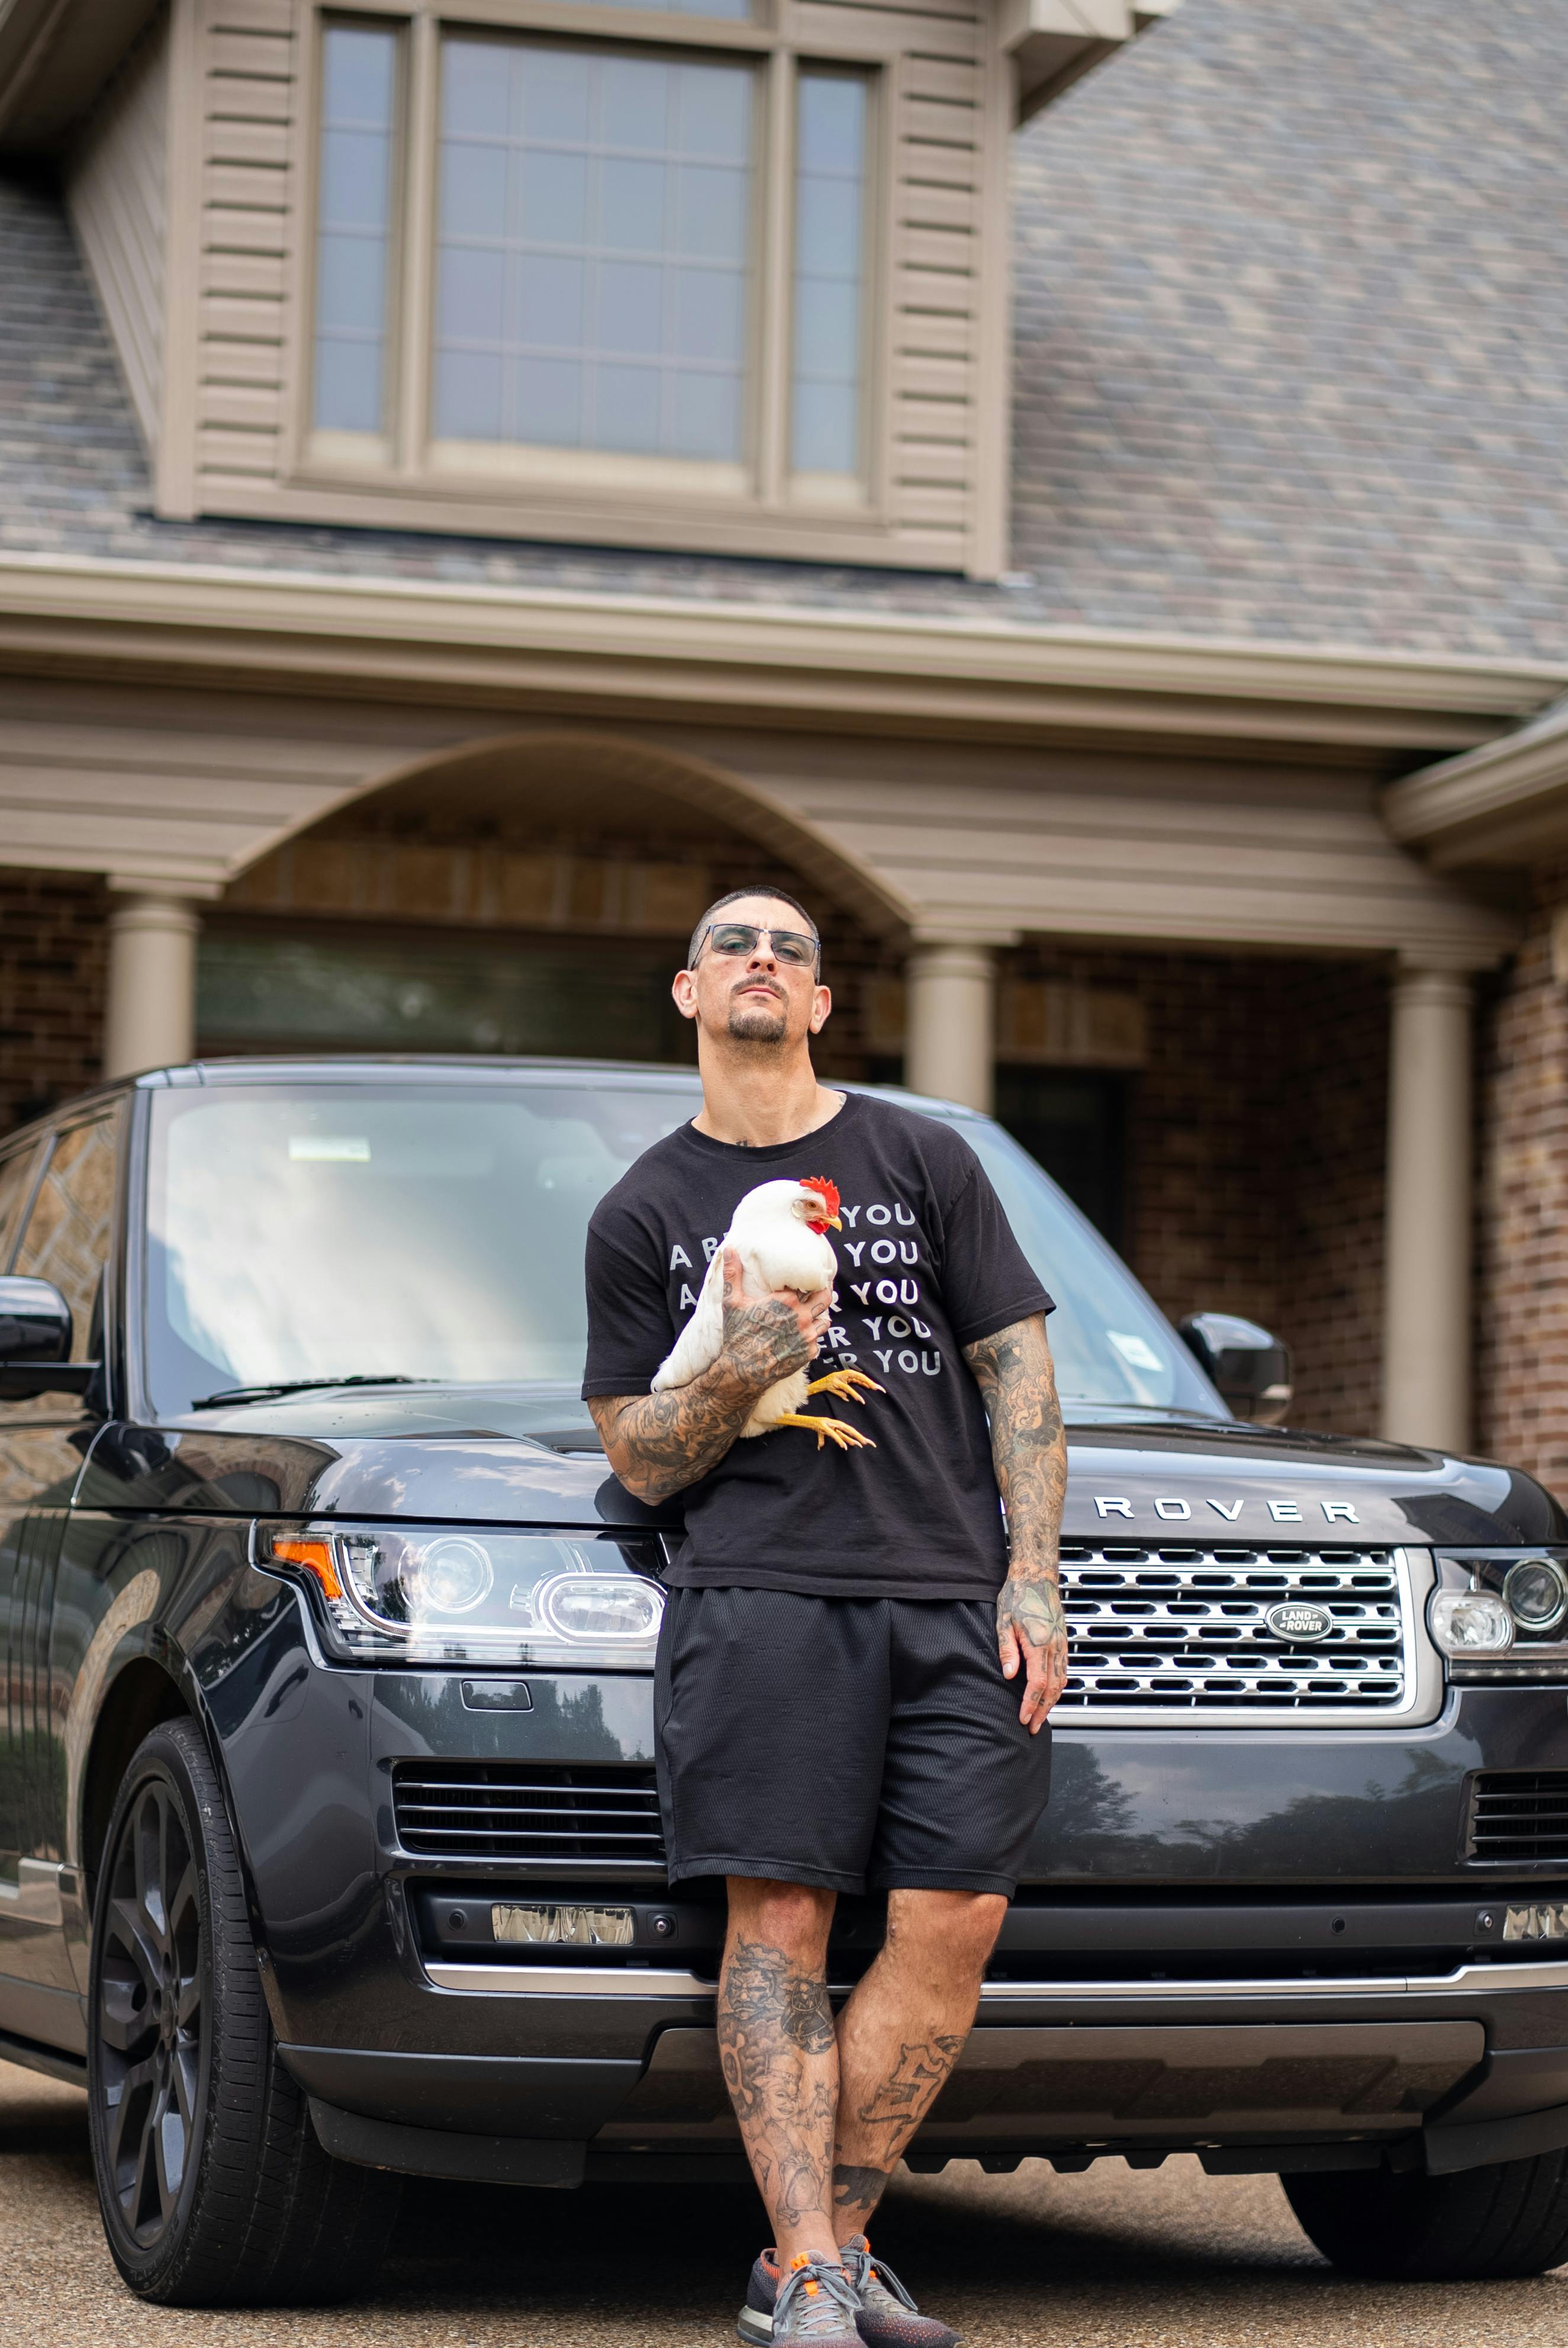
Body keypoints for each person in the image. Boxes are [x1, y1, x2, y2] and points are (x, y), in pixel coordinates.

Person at [582, 887, 1068, 2348]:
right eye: (735, 945)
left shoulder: (921, 1155)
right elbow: (637, 1454)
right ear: (687, 993)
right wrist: (735, 1372)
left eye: (790, 951)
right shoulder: (642, 1211)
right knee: (779, 1924)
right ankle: (806, 2273)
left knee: (954, 1917)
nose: (762, 963)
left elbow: (1017, 1375)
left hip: (945, 1595)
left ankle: (826, 2251)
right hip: (758, 1599)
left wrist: (1032, 1573)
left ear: (819, 1005)